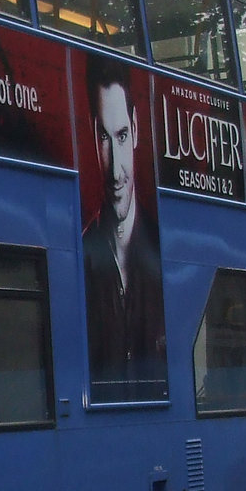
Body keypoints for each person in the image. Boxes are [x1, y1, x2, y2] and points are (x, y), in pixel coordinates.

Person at [82, 55, 167, 401]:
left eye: (121, 136)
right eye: (104, 137)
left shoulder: (165, 251)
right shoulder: (80, 258)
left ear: (136, 129)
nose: (116, 172)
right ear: (92, 134)